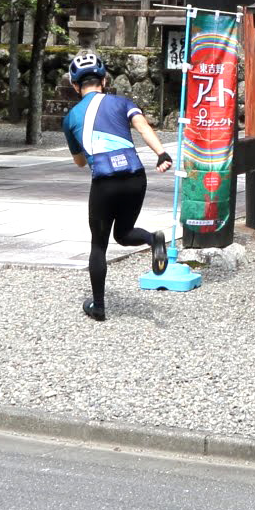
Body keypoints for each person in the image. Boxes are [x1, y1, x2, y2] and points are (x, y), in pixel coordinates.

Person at [62, 50, 173, 320]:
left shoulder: (71, 118)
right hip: (135, 177)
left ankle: (98, 306)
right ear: (104, 79)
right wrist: (162, 154)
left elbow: (79, 162)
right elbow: (143, 127)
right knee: (123, 234)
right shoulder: (122, 102)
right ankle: (152, 239)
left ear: (75, 85)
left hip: (105, 182)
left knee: (99, 244)